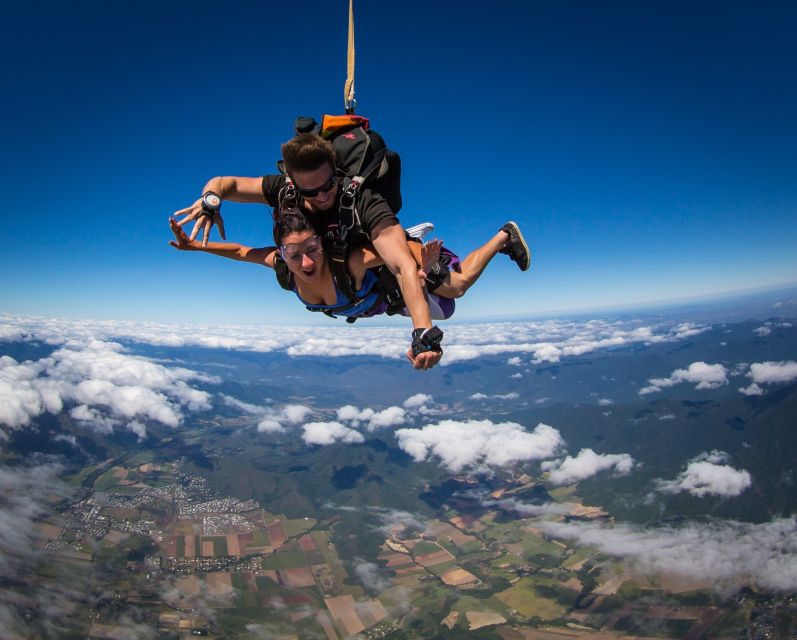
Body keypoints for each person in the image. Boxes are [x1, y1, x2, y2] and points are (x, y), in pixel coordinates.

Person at [168, 210, 531, 364]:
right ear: (282, 253)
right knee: (449, 306)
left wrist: (425, 267)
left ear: (323, 245)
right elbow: (241, 251)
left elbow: (398, 250)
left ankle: (503, 236)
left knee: (458, 286)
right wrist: (194, 246)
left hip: (407, 271)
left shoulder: (349, 262)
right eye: (294, 255)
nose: (306, 263)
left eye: (312, 250)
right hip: (387, 299)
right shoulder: (283, 266)